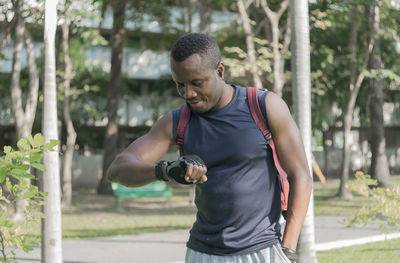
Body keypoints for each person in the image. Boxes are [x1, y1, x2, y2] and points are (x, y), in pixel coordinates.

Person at [107, 33, 312, 263]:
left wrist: (288, 248)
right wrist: (167, 170)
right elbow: (118, 169)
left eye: (197, 82)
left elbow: (301, 175)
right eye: (180, 85)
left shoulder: (264, 106)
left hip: (262, 250)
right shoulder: (177, 122)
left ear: (220, 71)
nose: (188, 93)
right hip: (202, 253)